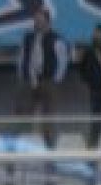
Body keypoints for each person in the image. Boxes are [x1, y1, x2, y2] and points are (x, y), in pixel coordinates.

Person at [18, 8, 70, 136]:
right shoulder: (28, 38)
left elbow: (62, 61)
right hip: (30, 79)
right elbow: (22, 56)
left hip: (48, 80)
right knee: (24, 112)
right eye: (35, 20)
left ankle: (49, 142)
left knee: (49, 113)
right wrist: (22, 74)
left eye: (40, 20)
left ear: (47, 21)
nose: (36, 23)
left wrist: (56, 79)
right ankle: (24, 140)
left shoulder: (56, 39)